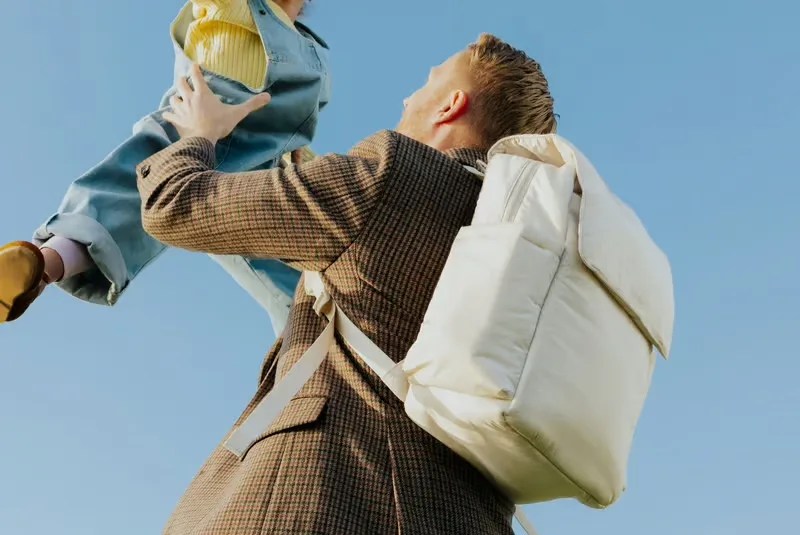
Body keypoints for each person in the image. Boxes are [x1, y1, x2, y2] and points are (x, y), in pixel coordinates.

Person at [137, 33, 557, 534]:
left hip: (319, 502)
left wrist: (195, 136)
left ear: (450, 105)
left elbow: (174, 205)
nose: (409, 98)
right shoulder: (527, 247)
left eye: (428, 82)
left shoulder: (393, 174)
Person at [0, 0, 329, 334]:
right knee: (147, 178)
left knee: (302, 276)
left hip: (264, 160)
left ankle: (322, 338)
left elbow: (296, 128)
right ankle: (41, 265)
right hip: (204, 112)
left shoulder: (311, 49)